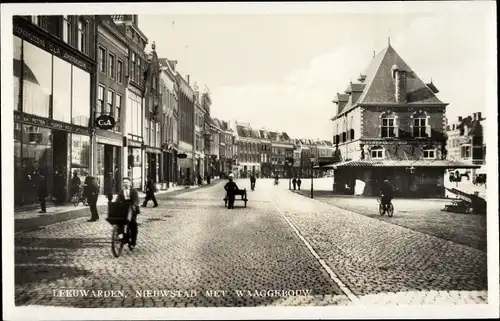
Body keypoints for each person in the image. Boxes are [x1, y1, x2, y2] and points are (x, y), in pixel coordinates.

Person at [116, 177, 140, 250]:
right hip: (124, 209)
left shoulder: (134, 191)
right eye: (124, 182)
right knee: (119, 221)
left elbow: (136, 200)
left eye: (127, 182)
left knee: (133, 224)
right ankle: (121, 235)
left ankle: (133, 242)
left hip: (132, 208)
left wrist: (134, 205)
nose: (125, 183)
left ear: (130, 183)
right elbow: (118, 199)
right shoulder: (121, 191)